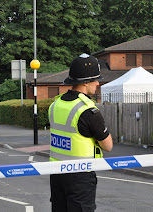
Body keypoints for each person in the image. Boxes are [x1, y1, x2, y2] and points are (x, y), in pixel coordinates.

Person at [48, 53, 113, 212]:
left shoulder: (56, 104)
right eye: (96, 79)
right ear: (86, 83)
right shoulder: (87, 110)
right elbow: (108, 145)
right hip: (80, 176)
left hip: (56, 173)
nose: (98, 83)